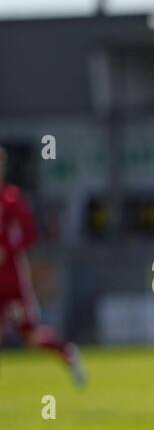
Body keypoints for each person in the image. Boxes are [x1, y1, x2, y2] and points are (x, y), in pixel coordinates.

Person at [0, 146, 84, 385]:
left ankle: (66, 352)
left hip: (11, 280)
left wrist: (8, 249)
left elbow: (29, 233)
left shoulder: (11, 199)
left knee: (30, 336)